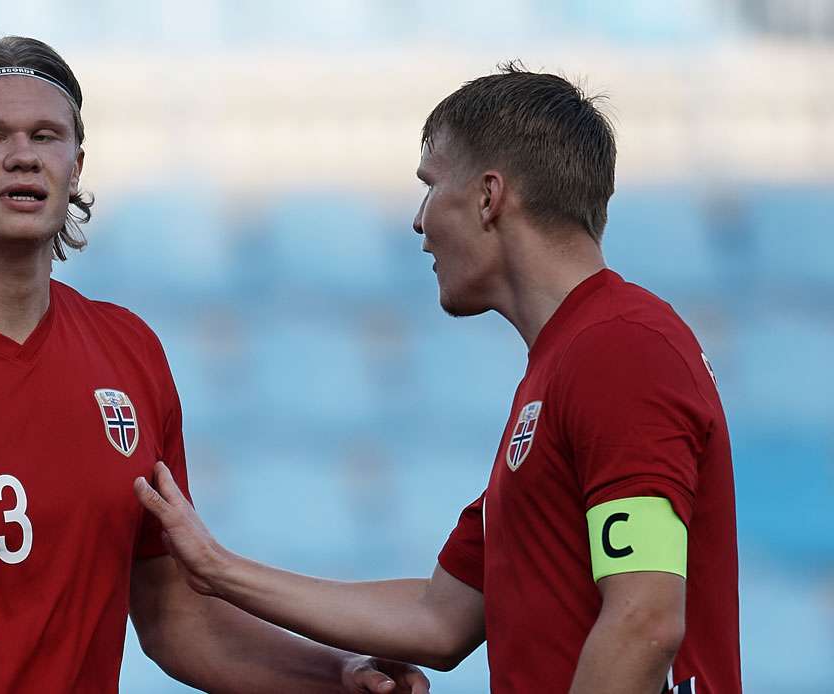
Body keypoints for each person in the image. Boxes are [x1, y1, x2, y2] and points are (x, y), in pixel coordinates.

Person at [0, 36, 429, 694]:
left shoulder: (128, 351)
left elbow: (176, 620)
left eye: (46, 136)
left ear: (75, 163)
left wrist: (332, 676)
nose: (22, 157)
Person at [136, 63, 741, 694]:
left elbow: (644, 617)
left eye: (430, 187)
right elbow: (441, 617)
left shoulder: (620, 349)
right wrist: (216, 568)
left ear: (488, 196)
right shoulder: (566, 365)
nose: (419, 222)